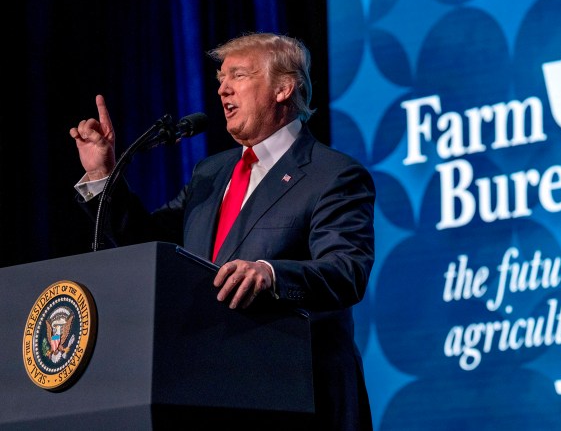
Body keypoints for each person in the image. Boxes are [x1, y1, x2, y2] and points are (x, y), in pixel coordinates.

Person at [69, 32, 375, 430]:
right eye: (220, 81)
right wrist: (102, 174)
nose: (223, 89)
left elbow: (346, 269)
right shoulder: (210, 174)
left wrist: (271, 272)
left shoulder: (332, 174)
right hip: (211, 393)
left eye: (239, 76)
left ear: (284, 88)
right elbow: (145, 244)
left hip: (300, 395)